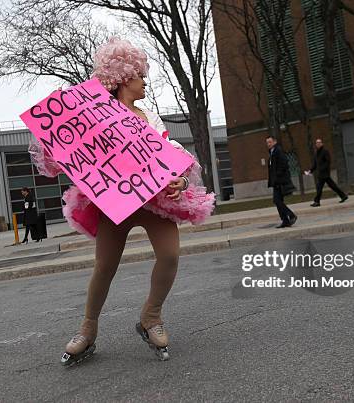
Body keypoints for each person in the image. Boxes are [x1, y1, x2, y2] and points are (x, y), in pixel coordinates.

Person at [28, 37, 215, 364]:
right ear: (125, 76)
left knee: (170, 256)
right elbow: (67, 148)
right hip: (113, 203)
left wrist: (182, 180)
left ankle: (151, 317)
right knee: (105, 266)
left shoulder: (150, 118)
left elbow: (174, 155)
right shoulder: (95, 115)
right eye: (141, 75)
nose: (145, 82)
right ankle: (88, 329)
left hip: (156, 201)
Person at [304, 138, 348, 207]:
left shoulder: (325, 151)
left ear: (322, 144)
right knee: (332, 186)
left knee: (319, 187)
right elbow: (315, 164)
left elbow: (328, 162)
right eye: (317, 143)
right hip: (321, 174)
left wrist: (322, 169)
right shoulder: (316, 153)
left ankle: (317, 201)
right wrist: (310, 171)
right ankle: (343, 196)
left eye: (319, 143)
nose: (318, 144)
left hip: (324, 173)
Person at [266, 135, 297, 228]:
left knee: (277, 200)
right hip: (276, 182)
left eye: (270, 142)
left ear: (274, 142)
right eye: (267, 142)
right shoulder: (272, 153)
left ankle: (291, 215)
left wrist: (278, 176)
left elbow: (284, 164)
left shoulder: (278, 151)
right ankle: (285, 221)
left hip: (280, 181)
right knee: (278, 201)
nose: (268, 144)